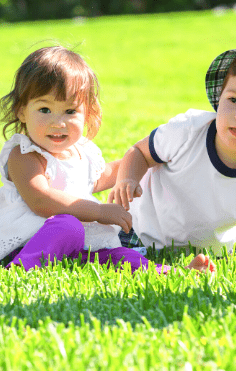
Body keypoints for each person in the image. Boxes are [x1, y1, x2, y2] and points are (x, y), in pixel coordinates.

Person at [0, 45, 215, 274]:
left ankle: (170, 272)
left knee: (119, 254)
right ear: (21, 111)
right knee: (68, 226)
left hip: (81, 246)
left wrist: (154, 157)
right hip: (32, 240)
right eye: (44, 109)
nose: (58, 122)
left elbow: (109, 174)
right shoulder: (24, 154)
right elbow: (41, 200)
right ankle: (21, 268)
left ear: (88, 114)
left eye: (70, 111)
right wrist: (99, 212)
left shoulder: (81, 153)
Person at [108, 35, 236, 272]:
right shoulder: (188, 130)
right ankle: (168, 269)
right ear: (220, 93)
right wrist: (127, 178)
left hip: (214, 249)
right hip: (144, 232)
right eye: (234, 99)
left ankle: (198, 266)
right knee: (120, 257)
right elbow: (139, 152)